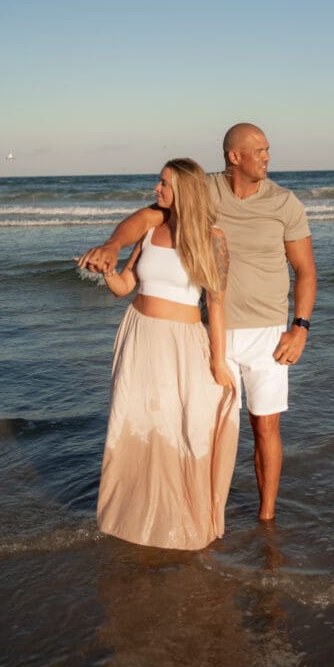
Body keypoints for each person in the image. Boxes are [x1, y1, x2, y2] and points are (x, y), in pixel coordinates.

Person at [77, 124, 317, 522]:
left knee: (265, 427)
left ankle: (267, 517)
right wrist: (113, 245)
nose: (267, 156)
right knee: (204, 428)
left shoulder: (285, 203)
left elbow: (306, 271)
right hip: (208, 332)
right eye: (259, 150)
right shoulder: (202, 190)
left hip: (267, 334)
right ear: (233, 156)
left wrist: (300, 327)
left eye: (268, 149)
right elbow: (148, 218)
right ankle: (202, 509)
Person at [76, 157, 238, 551]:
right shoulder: (150, 230)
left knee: (179, 427)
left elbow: (216, 306)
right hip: (138, 335)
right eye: (158, 182)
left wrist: (218, 361)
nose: (156, 189)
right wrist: (106, 270)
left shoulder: (212, 239)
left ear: (183, 189)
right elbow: (125, 286)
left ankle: (180, 520)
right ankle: (132, 518)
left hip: (181, 343)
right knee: (136, 423)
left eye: (163, 183)